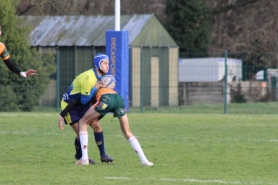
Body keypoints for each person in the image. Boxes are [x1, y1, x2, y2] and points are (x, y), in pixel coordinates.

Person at [75, 76, 154, 166]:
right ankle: (144, 160)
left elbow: (87, 103)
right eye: (113, 82)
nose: (115, 84)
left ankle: (84, 159)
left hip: (105, 99)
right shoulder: (113, 91)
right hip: (119, 99)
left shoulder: (96, 90)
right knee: (128, 132)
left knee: (82, 122)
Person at [58, 53, 114, 164]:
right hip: (70, 106)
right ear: (98, 64)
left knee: (96, 125)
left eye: (108, 63)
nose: (108, 66)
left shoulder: (101, 77)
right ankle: (80, 156)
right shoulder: (89, 78)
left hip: (82, 103)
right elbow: (84, 100)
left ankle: (103, 155)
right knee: (81, 134)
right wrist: (96, 88)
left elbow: (87, 100)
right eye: (105, 63)